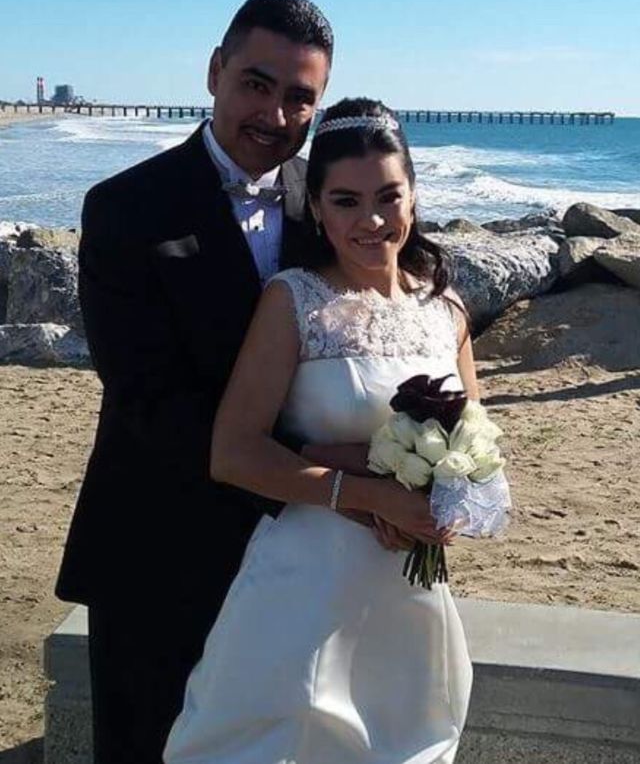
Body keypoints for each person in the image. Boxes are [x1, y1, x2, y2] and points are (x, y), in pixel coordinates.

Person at [54, 0, 334, 762]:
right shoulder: (124, 208)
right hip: (158, 547)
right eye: (256, 84)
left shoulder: (331, 206)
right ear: (215, 72)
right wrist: (313, 475)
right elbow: (144, 394)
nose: (275, 114)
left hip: (303, 558)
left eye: (300, 96)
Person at [164, 98, 476, 764]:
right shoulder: (295, 300)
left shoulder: (445, 308)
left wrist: (445, 508)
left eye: (388, 196)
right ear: (317, 209)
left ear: (414, 196)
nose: (372, 220)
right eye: (345, 201)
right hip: (304, 589)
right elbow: (233, 453)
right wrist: (369, 493)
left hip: (411, 593)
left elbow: (477, 449)